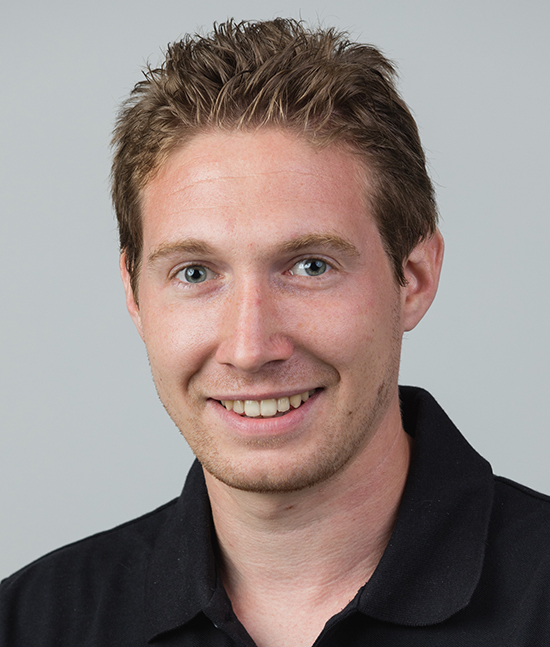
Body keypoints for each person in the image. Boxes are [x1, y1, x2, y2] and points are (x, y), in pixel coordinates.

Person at [1, 18, 549, 647]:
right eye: (195, 272)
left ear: (414, 279)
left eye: (311, 266)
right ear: (134, 294)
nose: (250, 349)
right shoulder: (31, 624)